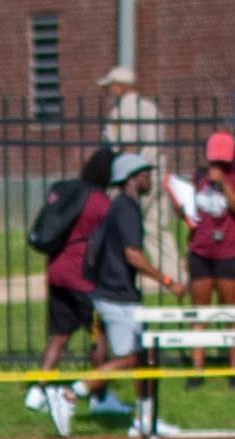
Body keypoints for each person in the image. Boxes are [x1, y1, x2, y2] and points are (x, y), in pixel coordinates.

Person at [51, 152, 186, 437]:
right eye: (145, 174)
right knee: (130, 358)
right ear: (132, 179)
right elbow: (132, 254)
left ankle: (144, 418)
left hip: (122, 294)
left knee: (147, 355)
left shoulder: (125, 207)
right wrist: (167, 281)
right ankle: (70, 394)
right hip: (116, 297)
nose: (150, 179)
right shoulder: (125, 209)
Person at [28, 145, 115, 425]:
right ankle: (100, 396)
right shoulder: (101, 202)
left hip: (57, 270)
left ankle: (38, 391)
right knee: (98, 333)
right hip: (81, 276)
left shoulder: (73, 192)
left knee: (60, 334)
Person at [183, 131, 235, 385]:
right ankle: (197, 369)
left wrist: (224, 183)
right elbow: (190, 210)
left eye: (222, 162)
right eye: (214, 161)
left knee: (231, 312)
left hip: (229, 252)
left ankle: (234, 369)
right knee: (199, 312)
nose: (217, 166)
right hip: (200, 251)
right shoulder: (198, 177)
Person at [99, 65, 176, 287]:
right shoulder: (150, 107)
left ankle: (118, 275)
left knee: (123, 226)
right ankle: (176, 275)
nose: (109, 91)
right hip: (158, 172)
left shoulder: (121, 112)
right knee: (157, 227)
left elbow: (128, 147)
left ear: (118, 87)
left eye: (111, 86)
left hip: (137, 178)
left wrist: (121, 182)